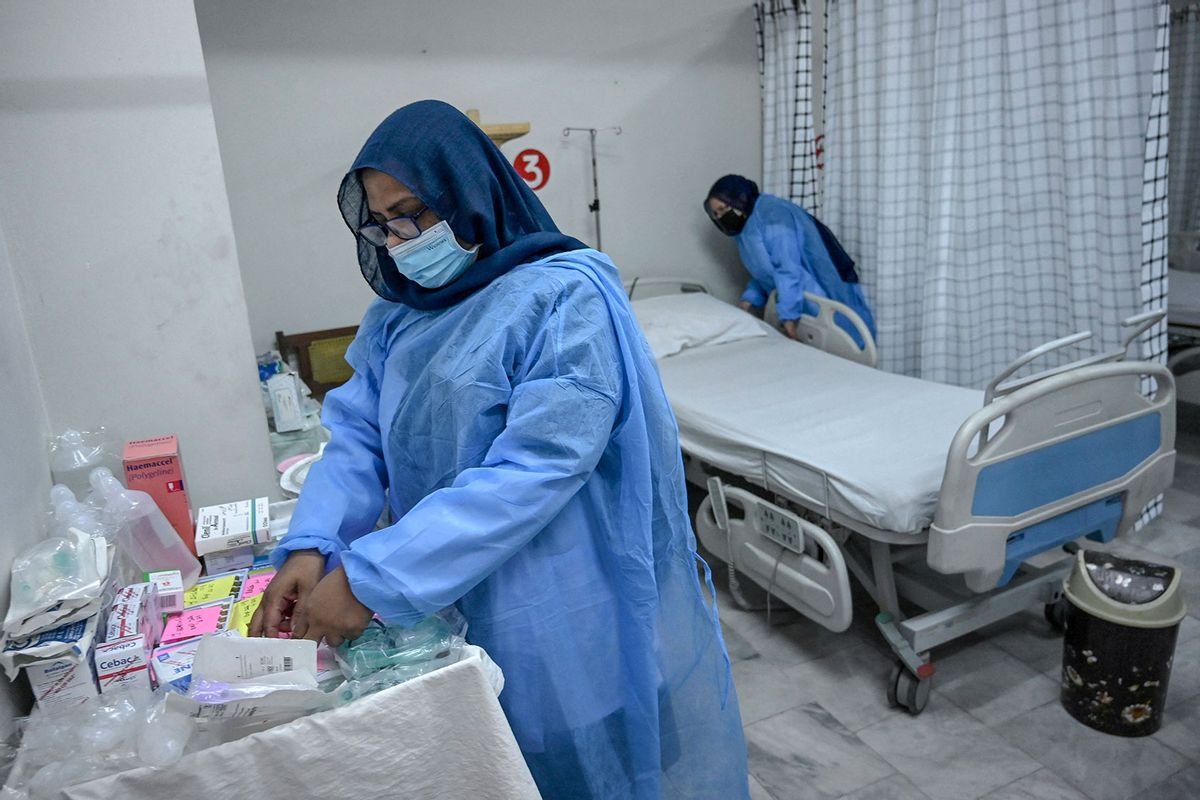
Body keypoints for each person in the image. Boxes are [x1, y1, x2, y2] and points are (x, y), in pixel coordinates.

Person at [248, 101, 749, 800]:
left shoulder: (564, 296)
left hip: (557, 598)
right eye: (382, 222)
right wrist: (313, 544)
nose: (400, 239)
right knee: (492, 765)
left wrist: (371, 577)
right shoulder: (399, 313)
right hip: (442, 584)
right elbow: (359, 434)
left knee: (585, 770)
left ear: (467, 192)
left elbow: (539, 464)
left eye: (415, 212)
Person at [704, 174, 877, 347]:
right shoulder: (743, 231)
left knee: (844, 343)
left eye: (723, 209)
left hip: (813, 295)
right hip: (792, 297)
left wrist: (788, 317)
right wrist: (747, 300)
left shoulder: (772, 214)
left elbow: (787, 268)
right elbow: (764, 272)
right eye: (716, 214)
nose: (720, 217)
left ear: (738, 198)